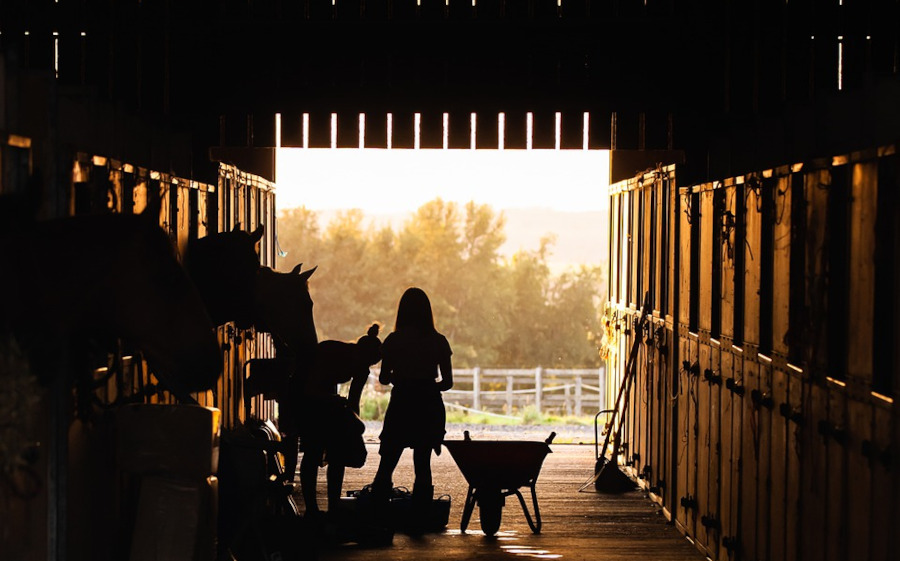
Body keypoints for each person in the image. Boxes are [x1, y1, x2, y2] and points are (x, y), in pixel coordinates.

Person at [369, 287, 453, 530]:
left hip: (402, 402)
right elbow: (447, 383)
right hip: (428, 404)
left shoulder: (394, 341)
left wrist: (403, 378)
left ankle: (377, 518)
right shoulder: (438, 341)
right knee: (423, 463)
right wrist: (427, 385)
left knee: (387, 462)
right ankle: (420, 520)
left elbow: (384, 378)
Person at [287, 324, 382, 519]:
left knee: (338, 452)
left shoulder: (361, 366)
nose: (364, 367)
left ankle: (334, 507)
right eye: (364, 362)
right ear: (358, 352)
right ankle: (311, 509)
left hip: (326, 398)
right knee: (313, 450)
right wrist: (335, 401)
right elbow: (310, 389)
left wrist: (353, 428)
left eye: (369, 365)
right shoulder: (332, 352)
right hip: (302, 395)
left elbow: (354, 401)